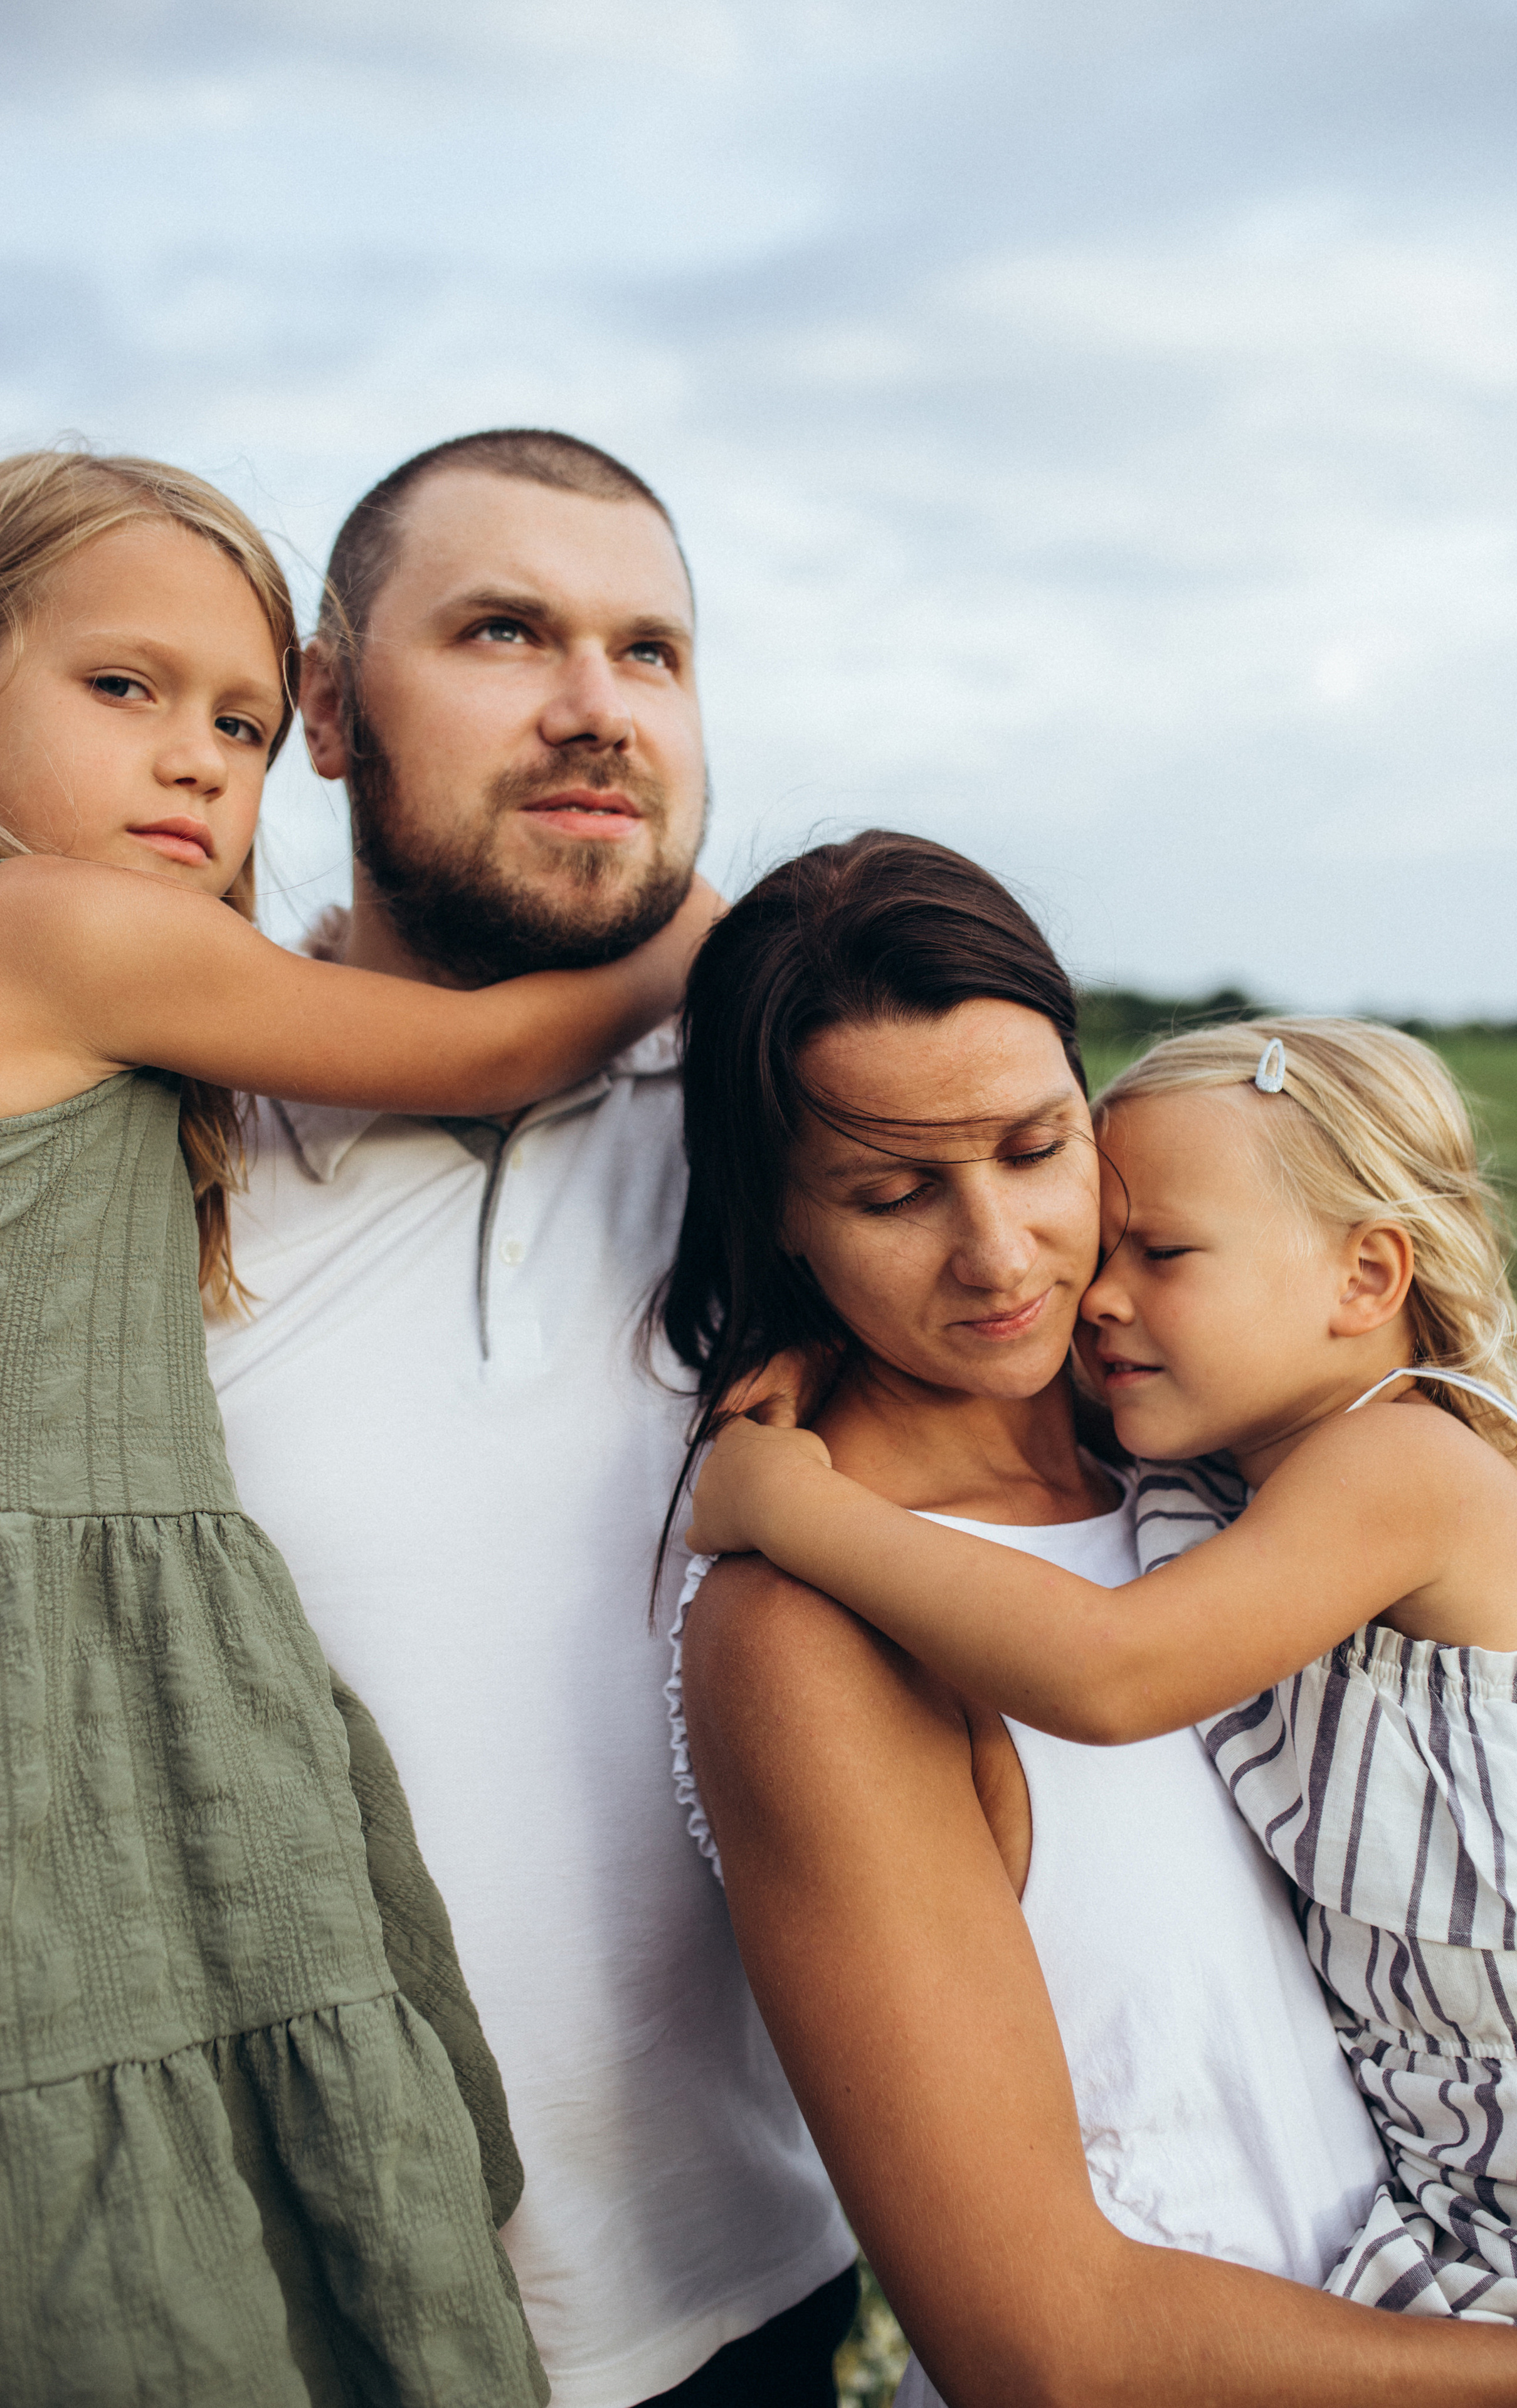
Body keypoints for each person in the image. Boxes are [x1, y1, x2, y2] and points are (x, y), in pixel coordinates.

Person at [663, 830, 1517, 2405]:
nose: (1004, 1257)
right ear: (780, 1215)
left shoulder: (1223, 1473)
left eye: (1037, 1153)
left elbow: (1113, 1652)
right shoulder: (812, 1631)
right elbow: (1047, 2351)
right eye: (892, 1194)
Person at [0, 444, 712, 2404]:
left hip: (716, 2268)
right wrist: (696, 923)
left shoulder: (762, 1137)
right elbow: (488, 1045)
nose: (192, 762)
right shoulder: (79, 950)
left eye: (225, 717)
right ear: (354, 705)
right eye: (120, 690)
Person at [206, 430, 859, 2408]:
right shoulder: (151, 1161)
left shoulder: (809, 1150)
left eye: (651, 651)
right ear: (324, 709)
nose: (596, 709)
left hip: (750, 2294)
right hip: (273, 2318)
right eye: (506, 631)